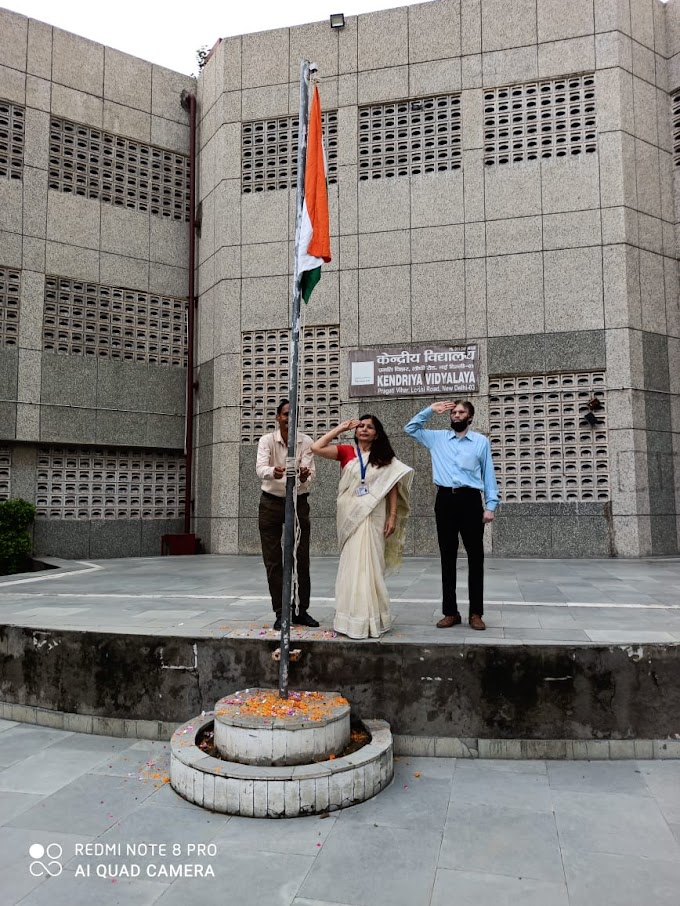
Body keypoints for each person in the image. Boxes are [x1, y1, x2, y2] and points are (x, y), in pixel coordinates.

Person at [312, 414, 413, 639]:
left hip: (375, 514)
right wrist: (341, 427)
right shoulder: (347, 452)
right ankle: (350, 620)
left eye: (370, 427)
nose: (364, 430)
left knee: (372, 565)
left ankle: (374, 618)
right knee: (351, 565)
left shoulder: (385, 457)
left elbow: (392, 487)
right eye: (361, 426)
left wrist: (392, 515)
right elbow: (316, 448)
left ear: (377, 433)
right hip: (350, 515)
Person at [404, 400, 499, 631]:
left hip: (470, 500)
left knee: (476, 558)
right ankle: (450, 612)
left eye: (461, 412)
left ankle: (476, 613)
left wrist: (491, 505)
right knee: (447, 557)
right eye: (454, 412)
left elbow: (488, 473)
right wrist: (429, 410)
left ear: (470, 417)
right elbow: (410, 429)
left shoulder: (480, 442)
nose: (456, 415)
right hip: (445, 500)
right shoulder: (437, 438)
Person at [256, 400, 319, 630]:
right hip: (271, 503)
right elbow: (260, 469)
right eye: (285, 414)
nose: (289, 419)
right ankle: (281, 612)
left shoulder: (307, 442)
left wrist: (303, 476)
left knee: (300, 557)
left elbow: (310, 474)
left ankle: (302, 610)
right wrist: (274, 471)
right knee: (273, 560)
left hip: (298, 501)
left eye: (293, 415)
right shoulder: (267, 440)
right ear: (277, 417)